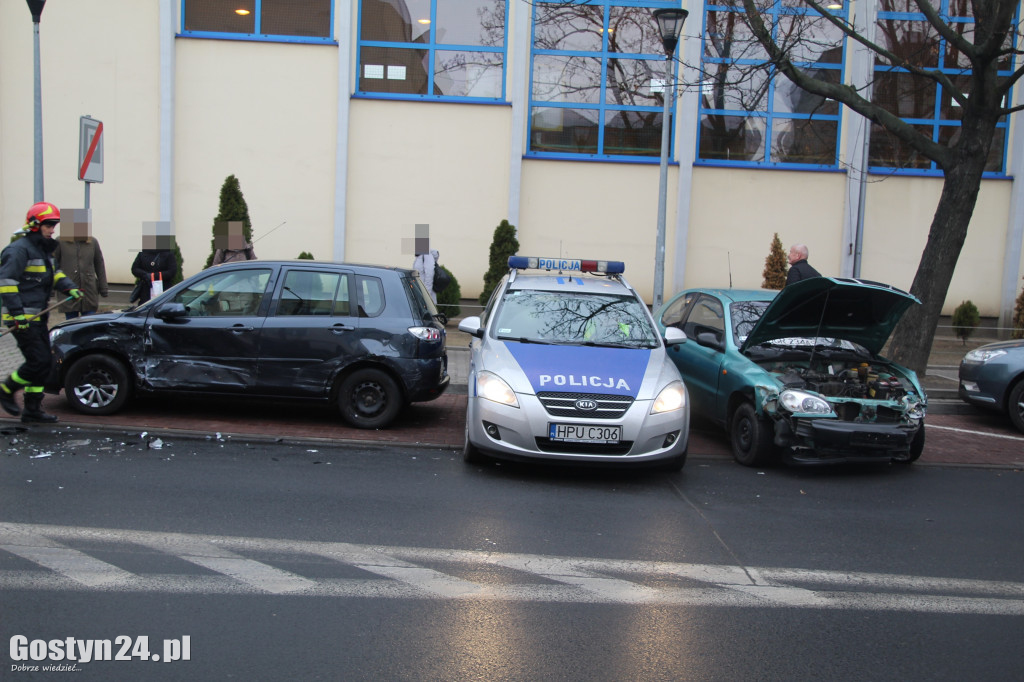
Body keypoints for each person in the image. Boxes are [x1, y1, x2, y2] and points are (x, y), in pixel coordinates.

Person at [0, 202, 82, 423]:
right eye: (48, 225)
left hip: (36, 316)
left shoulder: (42, 249)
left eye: (54, 225)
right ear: (35, 225)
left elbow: (54, 274)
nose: (52, 229)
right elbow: (6, 283)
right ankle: (6, 389)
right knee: (38, 361)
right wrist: (17, 314)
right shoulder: (18, 250)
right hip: (22, 318)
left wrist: (68, 287)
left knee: (44, 363)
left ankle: (32, 409)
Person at [53, 208, 108, 319]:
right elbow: (53, 265)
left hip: (89, 291)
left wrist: (103, 288)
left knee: (88, 323)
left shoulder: (92, 242)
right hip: (68, 291)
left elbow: (99, 264)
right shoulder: (60, 242)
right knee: (72, 323)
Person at [130, 234, 177, 305]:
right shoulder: (143, 253)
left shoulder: (168, 254)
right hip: (146, 289)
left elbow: (172, 272)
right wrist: (145, 275)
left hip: (163, 288)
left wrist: (153, 276)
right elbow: (134, 269)